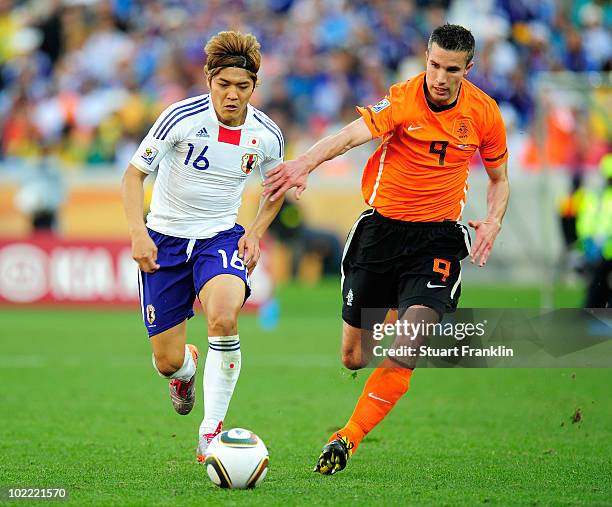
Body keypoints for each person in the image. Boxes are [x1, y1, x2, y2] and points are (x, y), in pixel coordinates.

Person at [263, 24, 510, 474]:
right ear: (426, 57)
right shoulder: (401, 99)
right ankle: (395, 308)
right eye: (434, 64)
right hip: (380, 234)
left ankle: (347, 437)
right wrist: (303, 163)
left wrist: (493, 219)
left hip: (437, 238)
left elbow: (498, 180)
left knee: (408, 344)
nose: (439, 76)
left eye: (451, 69)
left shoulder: (485, 114)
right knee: (354, 357)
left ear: (467, 69)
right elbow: (347, 137)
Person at [121, 30, 285, 462]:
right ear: (209, 80)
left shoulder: (267, 134)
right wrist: (138, 232)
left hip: (220, 237)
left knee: (225, 317)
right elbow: (133, 176)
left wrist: (254, 232)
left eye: (243, 87)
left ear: (255, 87)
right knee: (167, 362)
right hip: (165, 240)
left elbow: (276, 187)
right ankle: (186, 370)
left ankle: (211, 430)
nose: (232, 95)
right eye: (223, 85)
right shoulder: (180, 118)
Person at [576, 152, 612, 308]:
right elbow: (585, 223)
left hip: (603, 250)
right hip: (599, 251)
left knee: (599, 285)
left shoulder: (597, 197)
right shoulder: (596, 197)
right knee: (598, 285)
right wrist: (588, 243)